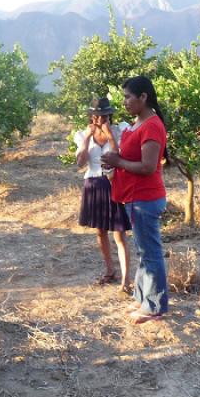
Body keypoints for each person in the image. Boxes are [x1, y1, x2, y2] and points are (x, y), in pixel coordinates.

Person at [101, 76, 169, 324]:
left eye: (128, 97)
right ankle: (143, 299)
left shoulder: (151, 126)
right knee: (144, 251)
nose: (125, 102)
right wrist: (114, 162)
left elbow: (148, 167)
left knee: (151, 254)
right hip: (135, 198)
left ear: (143, 97)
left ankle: (154, 308)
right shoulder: (138, 123)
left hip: (145, 198)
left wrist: (118, 162)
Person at [74, 97, 133, 292]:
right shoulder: (82, 134)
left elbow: (119, 157)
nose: (101, 119)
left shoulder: (120, 130)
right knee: (100, 231)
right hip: (93, 183)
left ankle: (126, 279)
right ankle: (110, 270)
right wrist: (87, 138)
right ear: (91, 117)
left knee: (119, 233)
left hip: (113, 183)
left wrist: (110, 136)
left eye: (105, 115)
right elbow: (80, 163)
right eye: (97, 115)